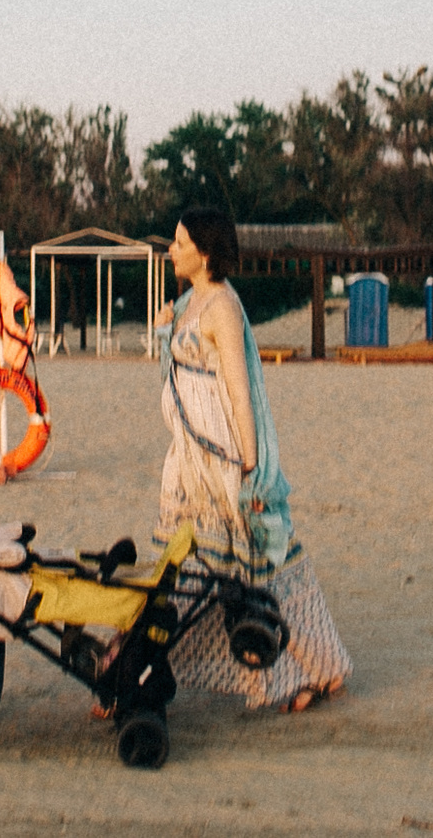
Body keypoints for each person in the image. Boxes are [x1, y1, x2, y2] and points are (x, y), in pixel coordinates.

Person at [151, 206, 350, 712]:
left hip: (223, 455)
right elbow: (179, 376)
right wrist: (163, 332)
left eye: (179, 242)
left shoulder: (222, 307)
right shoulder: (189, 301)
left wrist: (251, 471)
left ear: (206, 251)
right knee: (190, 564)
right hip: (190, 456)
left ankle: (317, 671)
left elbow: (240, 394)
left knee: (262, 563)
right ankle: (150, 669)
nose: (170, 250)